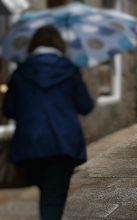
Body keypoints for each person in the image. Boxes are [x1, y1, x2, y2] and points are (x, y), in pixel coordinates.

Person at [3, 26, 94, 220]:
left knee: (47, 194)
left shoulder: (21, 71)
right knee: (53, 198)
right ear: (59, 44)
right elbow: (85, 106)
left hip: (30, 143)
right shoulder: (69, 70)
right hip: (64, 143)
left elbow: (9, 109)